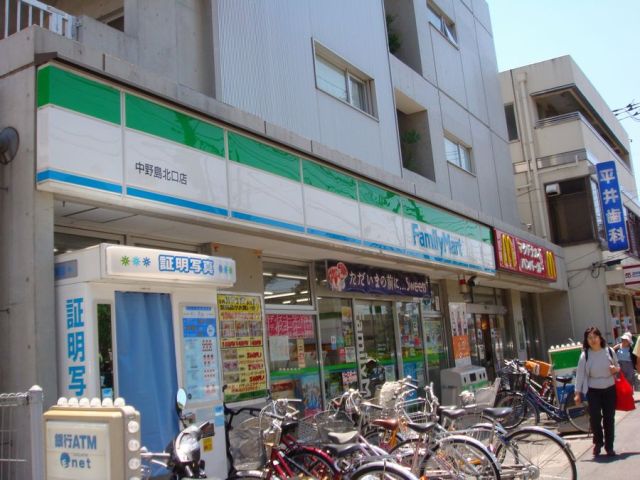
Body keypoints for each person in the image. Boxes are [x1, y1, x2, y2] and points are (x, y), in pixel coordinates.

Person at [574, 326, 620, 457]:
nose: (593, 340)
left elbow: (618, 367)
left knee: (609, 418)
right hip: (593, 390)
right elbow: (580, 375)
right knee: (595, 418)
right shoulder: (585, 355)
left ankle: (609, 446)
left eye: (595, 337)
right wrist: (577, 393)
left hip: (609, 388)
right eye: (589, 338)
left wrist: (615, 369)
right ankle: (598, 442)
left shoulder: (609, 351)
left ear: (600, 338)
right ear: (586, 340)